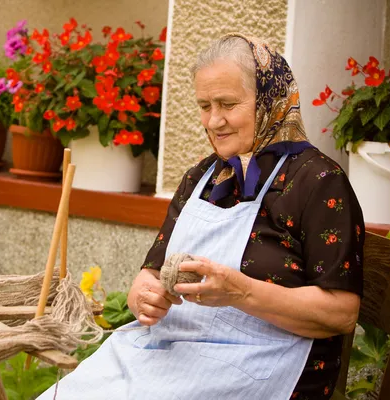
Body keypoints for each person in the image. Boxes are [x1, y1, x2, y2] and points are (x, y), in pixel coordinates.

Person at [38, 33, 364, 400]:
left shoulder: (318, 182)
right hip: (173, 357)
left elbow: (341, 313)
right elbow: (150, 271)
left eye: (228, 104)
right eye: (204, 105)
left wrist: (239, 291)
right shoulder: (202, 176)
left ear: (270, 99)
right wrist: (142, 295)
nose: (213, 121)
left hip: (261, 368)